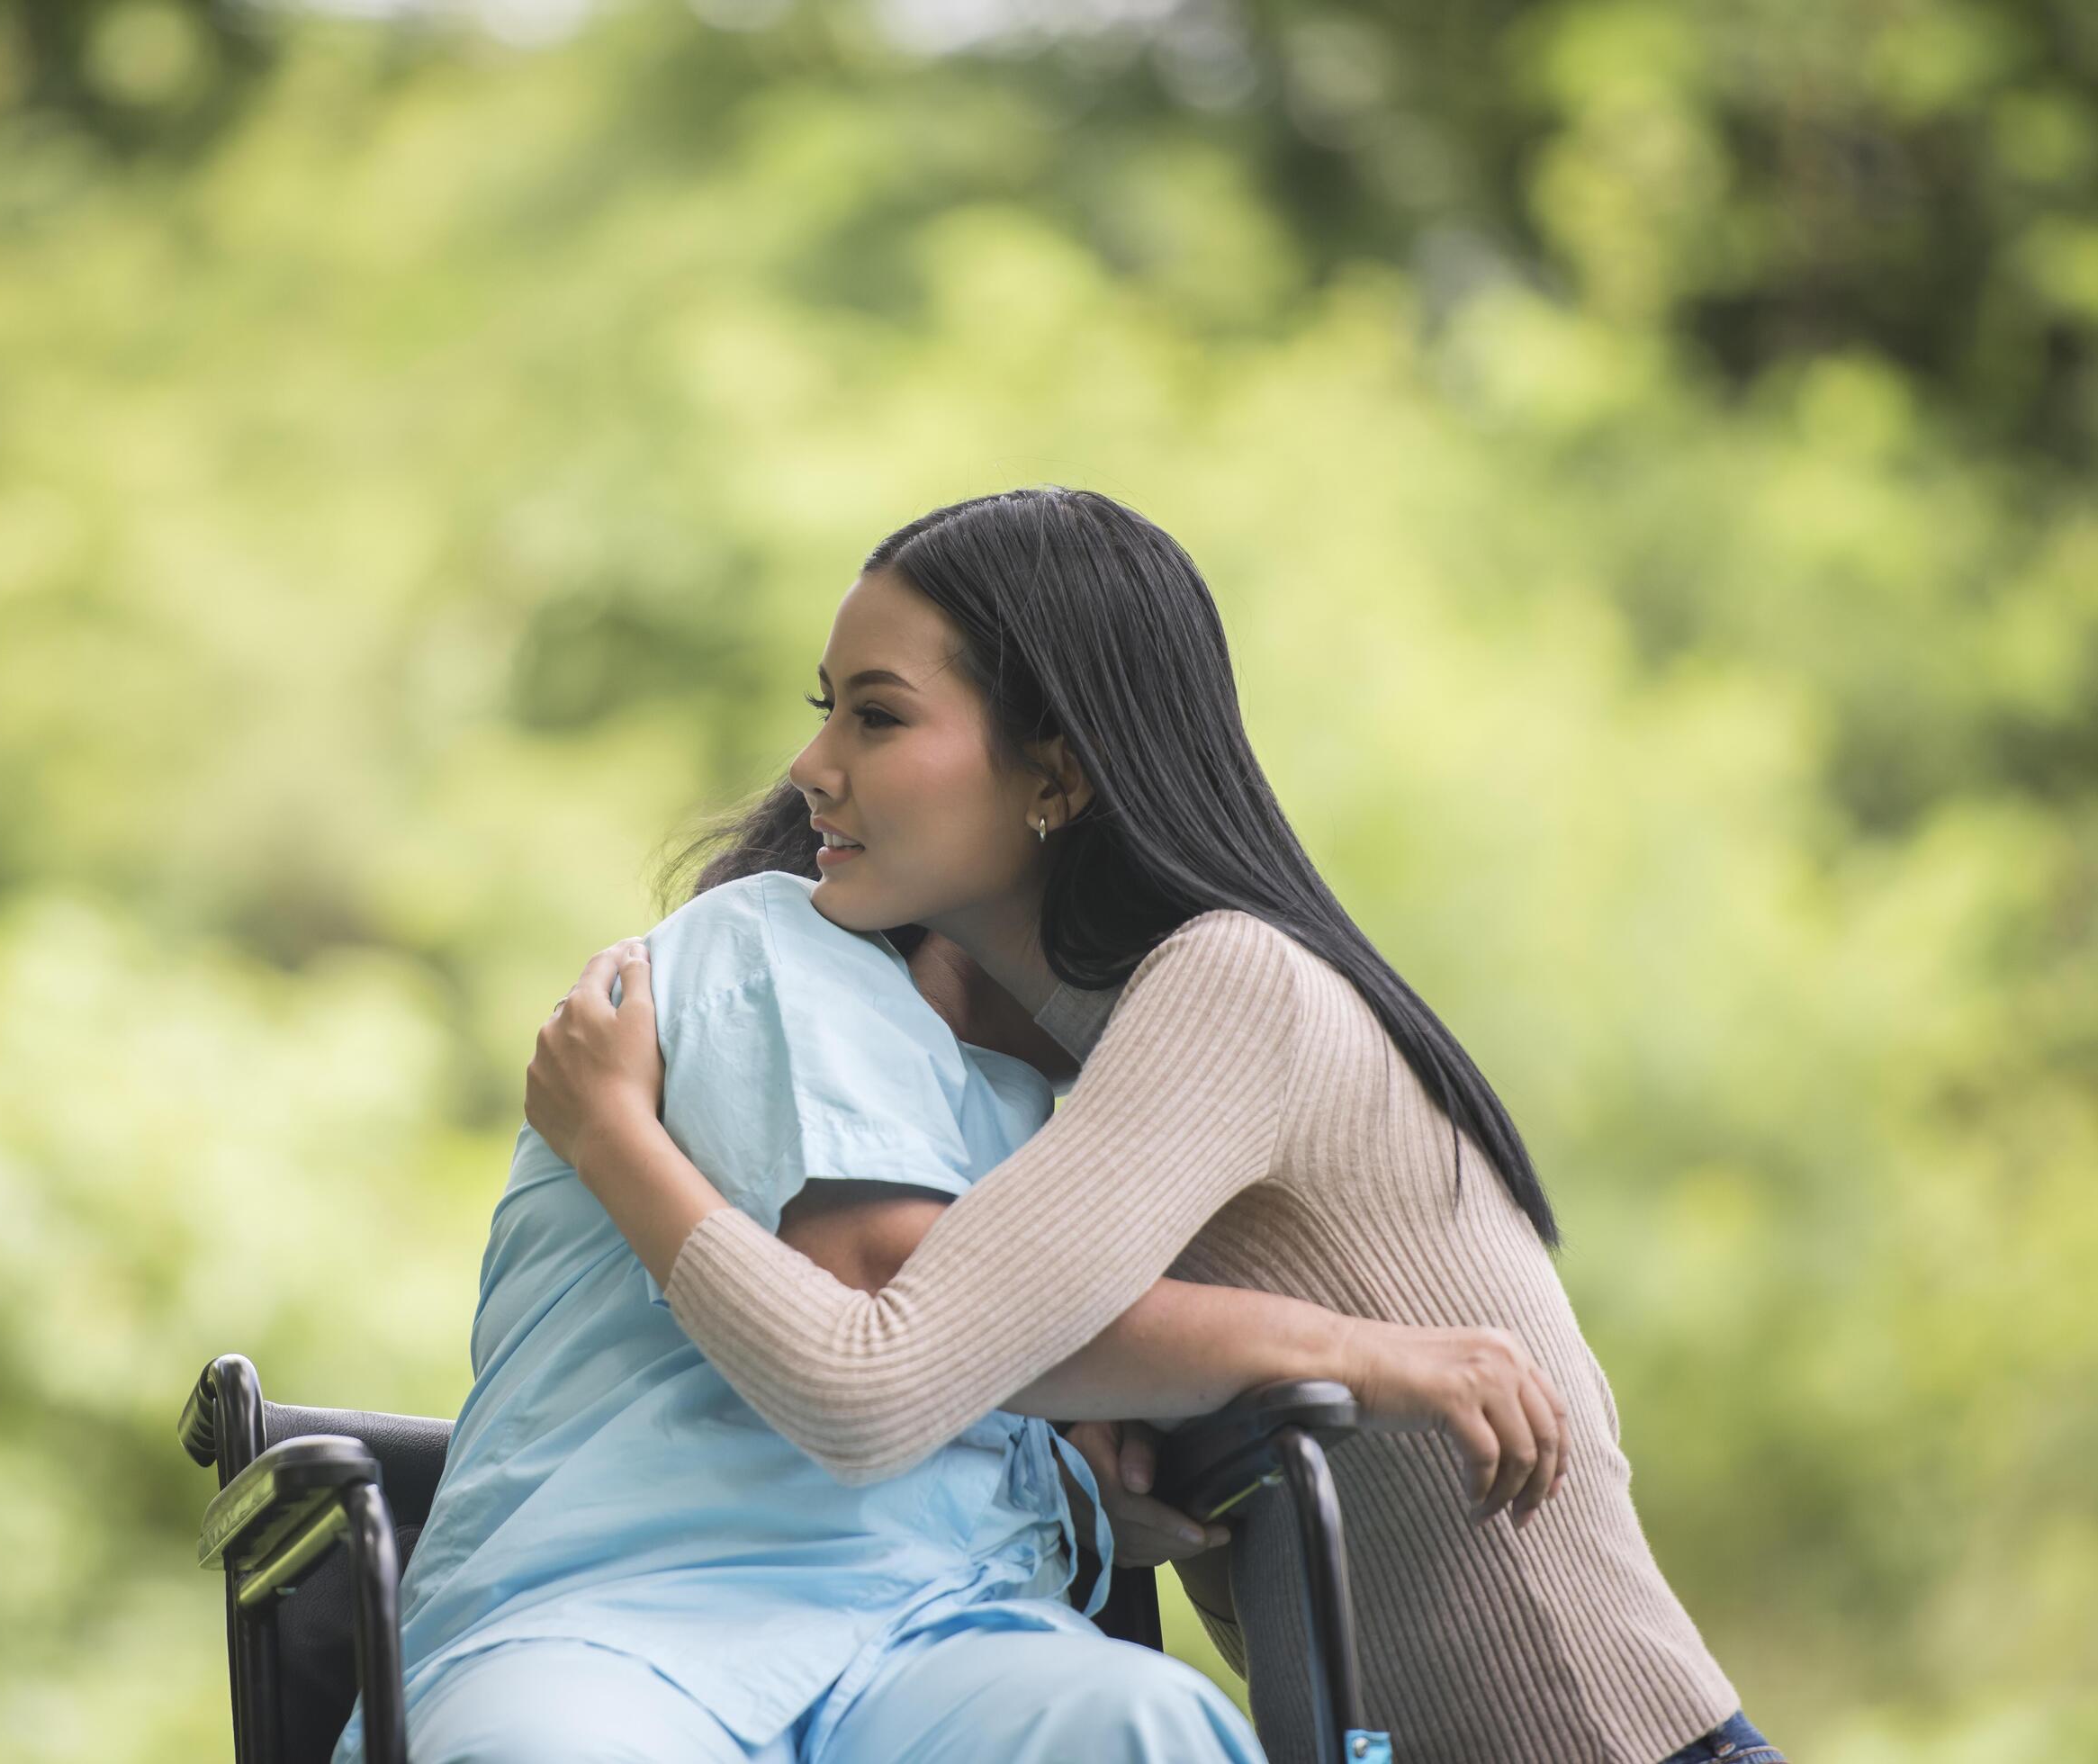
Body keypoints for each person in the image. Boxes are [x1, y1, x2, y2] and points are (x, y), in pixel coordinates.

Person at [526, 486, 1781, 1764]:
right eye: (824, 711)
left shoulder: (1228, 987)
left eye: (879, 714)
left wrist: (614, 1134)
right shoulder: (1077, 1079)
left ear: (1055, 772)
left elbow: (871, 1377)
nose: (810, 768)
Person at [334, 863, 1574, 1764]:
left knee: (1143, 1726)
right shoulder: (769, 949)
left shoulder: (1082, 1126)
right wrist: (1347, 1349)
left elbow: (1019, 1367)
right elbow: (893, 1294)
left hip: (937, 1636)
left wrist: (1096, 1473)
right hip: (621, 1620)